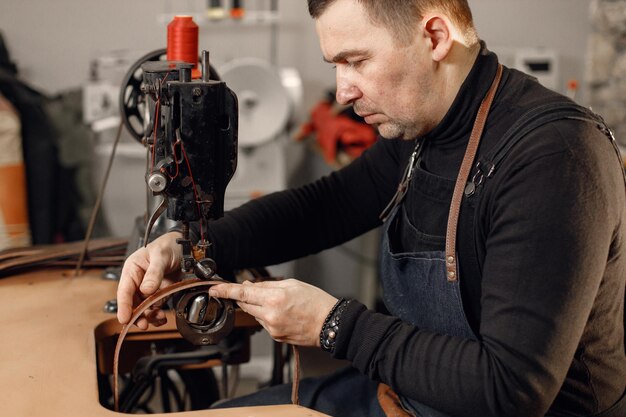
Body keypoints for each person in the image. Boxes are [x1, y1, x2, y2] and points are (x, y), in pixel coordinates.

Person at [117, 1, 626, 416]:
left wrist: (332, 324)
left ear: (434, 36)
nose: (343, 91)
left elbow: (512, 389)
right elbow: (328, 206)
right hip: (404, 397)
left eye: (357, 61)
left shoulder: (553, 156)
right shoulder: (427, 125)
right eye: (336, 66)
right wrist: (192, 245)